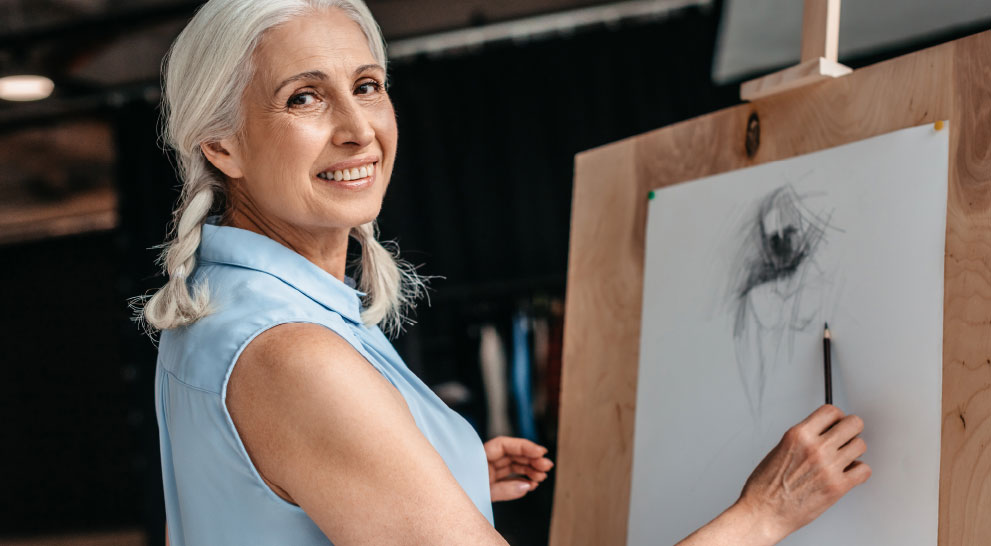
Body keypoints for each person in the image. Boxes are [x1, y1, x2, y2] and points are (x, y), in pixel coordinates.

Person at [137, 1, 871, 544]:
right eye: (303, 96)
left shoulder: (219, 304)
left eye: (366, 84)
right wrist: (764, 513)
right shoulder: (290, 353)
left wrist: (434, 474)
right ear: (222, 148)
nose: (358, 128)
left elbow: (269, 490)